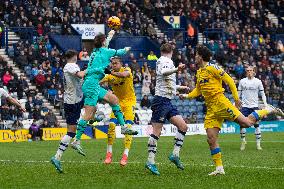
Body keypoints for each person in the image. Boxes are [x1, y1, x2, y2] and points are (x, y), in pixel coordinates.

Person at [180, 45, 284, 176]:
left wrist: (236, 99)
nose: (194, 56)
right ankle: (219, 168)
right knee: (211, 139)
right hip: (211, 109)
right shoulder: (199, 72)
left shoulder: (213, 68)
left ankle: (267, 109)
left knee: (246, 123)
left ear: (200, 56)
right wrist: (186, 96)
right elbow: (198, 90)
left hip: (221, 103)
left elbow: (229, 80)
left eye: (196, 54)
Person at [71, 30, 138, 156]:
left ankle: (123, 127)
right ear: (103, 42)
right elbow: (121, 52)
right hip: (91, 85)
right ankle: (76, 140)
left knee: (113, 99)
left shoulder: (95, 52)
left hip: (93, 84)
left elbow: (105, 44)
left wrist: (110, 36)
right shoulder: (106, 52)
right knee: (88, 114)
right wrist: (128, 47)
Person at [145, 43, 189, 176]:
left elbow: (167, 82)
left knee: (183, 126)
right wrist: (177, 69)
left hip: (167, 101)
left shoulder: (163, 61)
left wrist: (181, 87)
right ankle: (150, 161)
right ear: (172, 51)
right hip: (160, 101)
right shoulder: (166, 61)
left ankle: (175, 155)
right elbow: (164, 73)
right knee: (156, 132)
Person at [50, 49, 85, 173]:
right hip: (73, 102)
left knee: (92, 105)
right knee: (71, 132)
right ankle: (57, 156)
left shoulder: (69, 66)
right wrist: (90, 69)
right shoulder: (71, 65)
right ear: (75, 56)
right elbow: (80, 75)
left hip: (75, 99)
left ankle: (93, 119)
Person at [100, 57, 136, 166]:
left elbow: (124, 75)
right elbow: (98, 80)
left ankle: (125, 155)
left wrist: (110, 73)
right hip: (117, 103)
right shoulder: (109, 75)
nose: (114, 65)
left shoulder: (126, 70)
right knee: (111, 125)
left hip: (129, 103)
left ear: (121, 64)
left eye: (116, 63)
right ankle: (109, 154)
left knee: (128, 129)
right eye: (112, 64)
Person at [238, 66, 267, 150]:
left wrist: (265, 104)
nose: (249, 72)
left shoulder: (258, 81)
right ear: (246, 72)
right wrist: (236, 103)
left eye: (251, 70)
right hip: (245, 106)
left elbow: (263, 94)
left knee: (257, 125)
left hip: (254, 106)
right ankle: (243, 142)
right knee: (242, 125)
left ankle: (258, 145)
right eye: (247, 70)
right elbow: (238, 94)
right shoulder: (242, 81)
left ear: (254, 71)